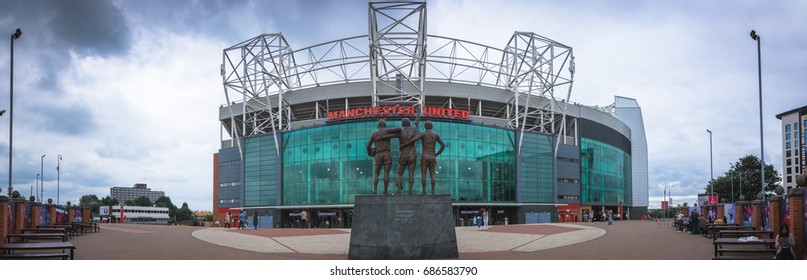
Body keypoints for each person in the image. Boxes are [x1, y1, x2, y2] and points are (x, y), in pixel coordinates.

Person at [366, 119, 401, 195]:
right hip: (387, 154)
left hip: (378, 154)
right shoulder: (387, 130)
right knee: (386, 173)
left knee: (376, 174)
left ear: (378, 126)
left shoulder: (374, 134)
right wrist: (387, 135)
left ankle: (375, 191)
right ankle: (385, 191)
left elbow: (368, 145)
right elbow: (398, 129)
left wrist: (369, 153)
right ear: (385, 125)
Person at [396, 113, 420, 195]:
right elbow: (416, 121)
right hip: (412, 155)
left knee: (399, 174)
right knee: (411, 173)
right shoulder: (413, 129)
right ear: (409, 123)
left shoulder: (399, 132)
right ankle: (410, 191)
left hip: (403, 154)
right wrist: (419, 110)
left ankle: (399, 191)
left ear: (402, 124)